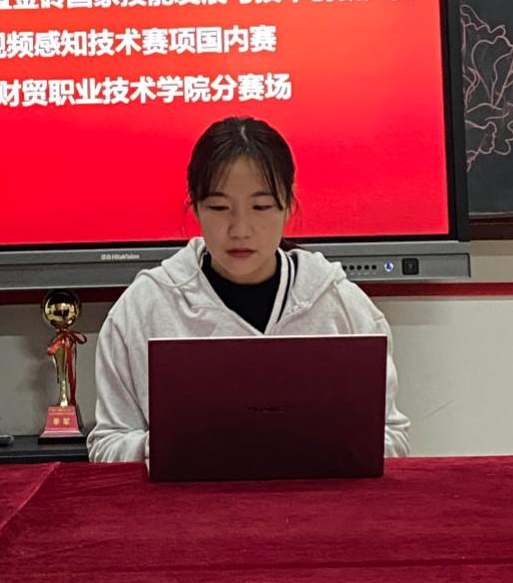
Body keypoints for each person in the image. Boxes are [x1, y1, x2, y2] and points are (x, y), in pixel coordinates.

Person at [86, 115, 410, 463]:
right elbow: (107, 443)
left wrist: (328, 444)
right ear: (195, 207)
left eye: (261, 207)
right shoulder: (143, 309)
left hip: (315, 498)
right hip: (191, 500)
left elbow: (393, 438)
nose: (240, 229)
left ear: (288, 207)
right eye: (219, 207)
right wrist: (165, 445)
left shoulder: (341, 304)